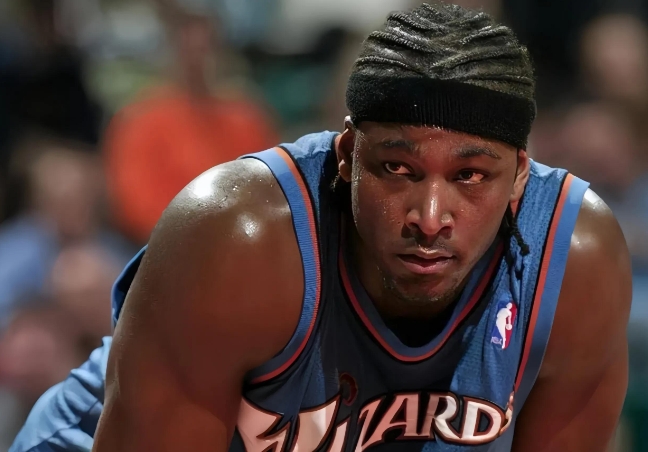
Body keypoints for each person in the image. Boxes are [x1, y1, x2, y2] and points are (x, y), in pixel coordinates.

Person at [11, 3, 631, 452]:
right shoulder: (238, 235)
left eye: (470, 176)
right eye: (397, 169)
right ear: (347, 156)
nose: (429, 217)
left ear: (519, 176)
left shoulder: (575, 259)